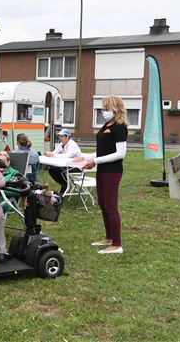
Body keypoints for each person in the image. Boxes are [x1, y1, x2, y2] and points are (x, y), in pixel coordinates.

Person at [73, 95, 128, 254]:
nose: (103, 111)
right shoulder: (106, 125)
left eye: (105, 108)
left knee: (111, 206)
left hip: (112, 172)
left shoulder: (120, 127)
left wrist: (96, 161)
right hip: (102, 170)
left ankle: (117, 244)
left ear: (114, 108)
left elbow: (120, 153)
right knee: (103, 204)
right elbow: (102, 151)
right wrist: (85, 156)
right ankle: (109, 237)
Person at [45, 128, 81, 195]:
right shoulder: (61, 144)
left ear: (67, 137)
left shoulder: (72, 145)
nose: (60, 138)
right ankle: (65, 185)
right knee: (52, 170)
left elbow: (68, 156)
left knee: (58, 170)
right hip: (67, 165)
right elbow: (55, 152)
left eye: (62, 136)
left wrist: (53, 155)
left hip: (76, 167)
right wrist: (49, 153)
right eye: (59, 136)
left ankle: (67, 186)